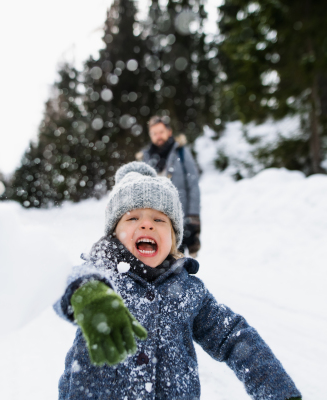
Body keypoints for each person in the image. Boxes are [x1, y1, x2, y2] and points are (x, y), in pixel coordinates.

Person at [54, 162, 302, 400]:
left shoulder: (188, 290)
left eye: (159, 220)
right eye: (132, 218)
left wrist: (277, 389)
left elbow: (233, 337)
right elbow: (60, 285)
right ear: (113, 233)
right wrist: (87, 293)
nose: (147, 225)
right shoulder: (100, 273)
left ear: (173, 238)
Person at [137, 116, 201, 257]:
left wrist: (193, 218)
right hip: (155, 221)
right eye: (154, 133)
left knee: (180, 262)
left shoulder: (182, 152)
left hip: (181, 218)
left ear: (169, 132)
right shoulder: (146, 158)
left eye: (160, 132)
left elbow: (193, 185)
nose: (158, 136)